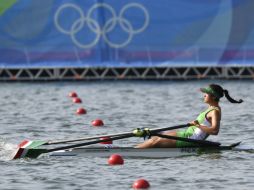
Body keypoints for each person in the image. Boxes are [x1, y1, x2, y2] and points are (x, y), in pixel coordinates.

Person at [135, 84, 243, 148]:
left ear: (214, 97)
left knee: (156, 141)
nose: (204, 95)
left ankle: (131, 153)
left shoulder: (215, 111)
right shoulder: (209, 109)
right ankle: (134, 149)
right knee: (157, 135)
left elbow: (215, 131)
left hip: (192, 139)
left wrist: (198, 125)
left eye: (206, 93)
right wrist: (197, 125)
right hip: (187, 134)